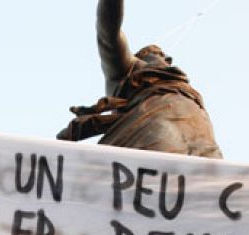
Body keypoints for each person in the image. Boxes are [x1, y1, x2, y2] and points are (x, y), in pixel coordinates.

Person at [57, 0, 222, 158]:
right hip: (155, 139)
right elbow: (108, 34)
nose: (164, 57)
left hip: (204, 147)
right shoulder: (129, 71)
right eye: (154, 53)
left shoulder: (182, 85)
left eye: (164, 56)